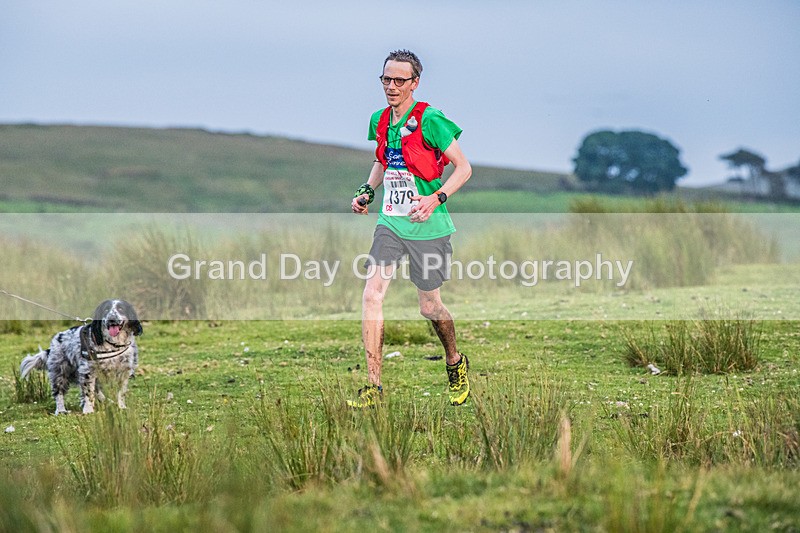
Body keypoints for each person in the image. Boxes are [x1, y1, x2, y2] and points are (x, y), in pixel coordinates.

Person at [349, 49, 473, 408]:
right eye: (386, 79)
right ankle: (373, 385)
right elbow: (382, 160)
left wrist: (436, 198)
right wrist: (367, 190)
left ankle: (454, 362)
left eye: (399, 80)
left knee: (430, 306)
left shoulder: (431, 119)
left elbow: (464, 168)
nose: (391, 86)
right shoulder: (379, 119)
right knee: (372, 294)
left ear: (414, 83)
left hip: (429, 226)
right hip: (391, 222)